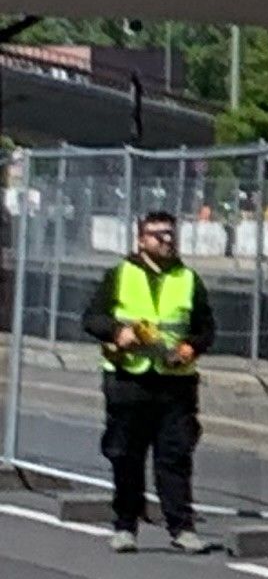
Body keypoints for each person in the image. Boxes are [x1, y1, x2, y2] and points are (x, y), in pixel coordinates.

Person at [81, 205, 216, 555]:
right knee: (126, 454)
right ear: (142, 240)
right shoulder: (120, 275)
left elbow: (206, 328)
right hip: (129, 379)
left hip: (175, 383)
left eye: (171, 235)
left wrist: (190, 347)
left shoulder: (187, 279)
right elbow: (92, 318)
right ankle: (125, 525)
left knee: (175, 456)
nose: (167, 241)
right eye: (159, 235)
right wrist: (117, 331)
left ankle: (182, 528)